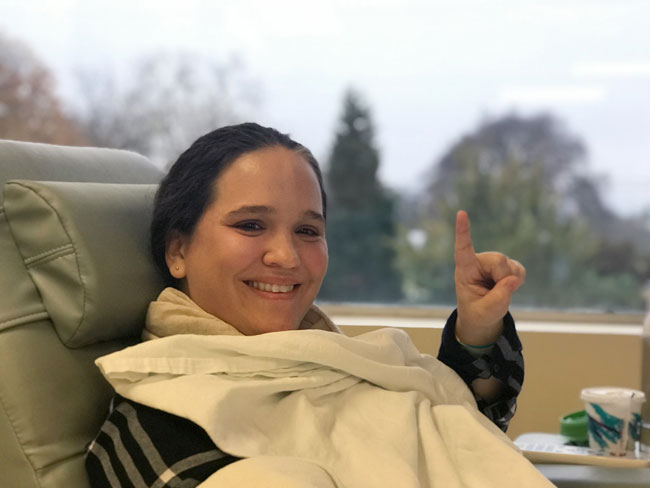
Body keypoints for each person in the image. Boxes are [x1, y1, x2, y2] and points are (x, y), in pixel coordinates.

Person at [86, 123, 529, 488]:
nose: (287, 256)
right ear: (178, 251)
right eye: (251, 224)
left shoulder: (342, 365)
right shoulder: (153, 421)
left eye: (308, 231)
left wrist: (478, 325)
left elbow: (464, 433)